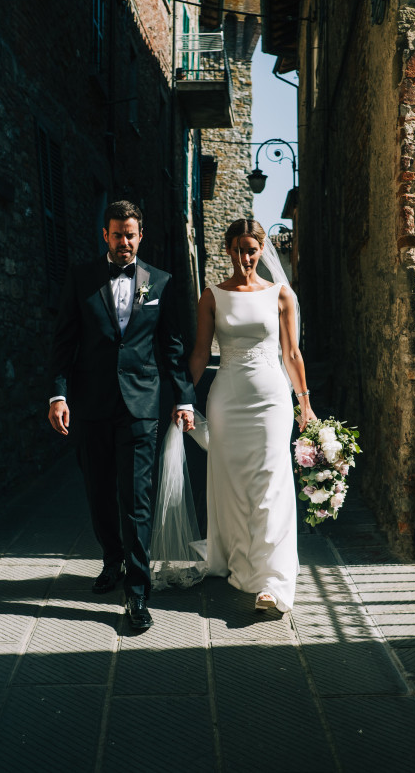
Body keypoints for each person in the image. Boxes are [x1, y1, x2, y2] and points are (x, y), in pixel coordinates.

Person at [48, 200, 195, 630]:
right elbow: (63, 343)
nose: (124, 242)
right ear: (105, 236)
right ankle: (111, 559)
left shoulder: (161, 283)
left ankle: (137, 592)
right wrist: (58, 396)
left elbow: (171, 346)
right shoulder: (81, 279)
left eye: (130, 235)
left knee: (136, 499)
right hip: (90, 404)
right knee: (98, 492)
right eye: (117, 234)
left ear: (140, 236)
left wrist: (183, 398)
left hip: (140, 407)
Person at [188, 219, 317, 612]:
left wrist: (305, 402)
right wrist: (181, 398)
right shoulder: (211, 296)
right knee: (231, 485)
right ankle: (238, 560)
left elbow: (292, 354)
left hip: (272, 401)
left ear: (261, 251)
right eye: (239, 249)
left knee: (270, 485)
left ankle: (271, 581)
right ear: (228, 249)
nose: (245, 257)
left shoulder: (281, 295)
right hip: (226, 399)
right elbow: (199, 352)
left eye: (252, 250)